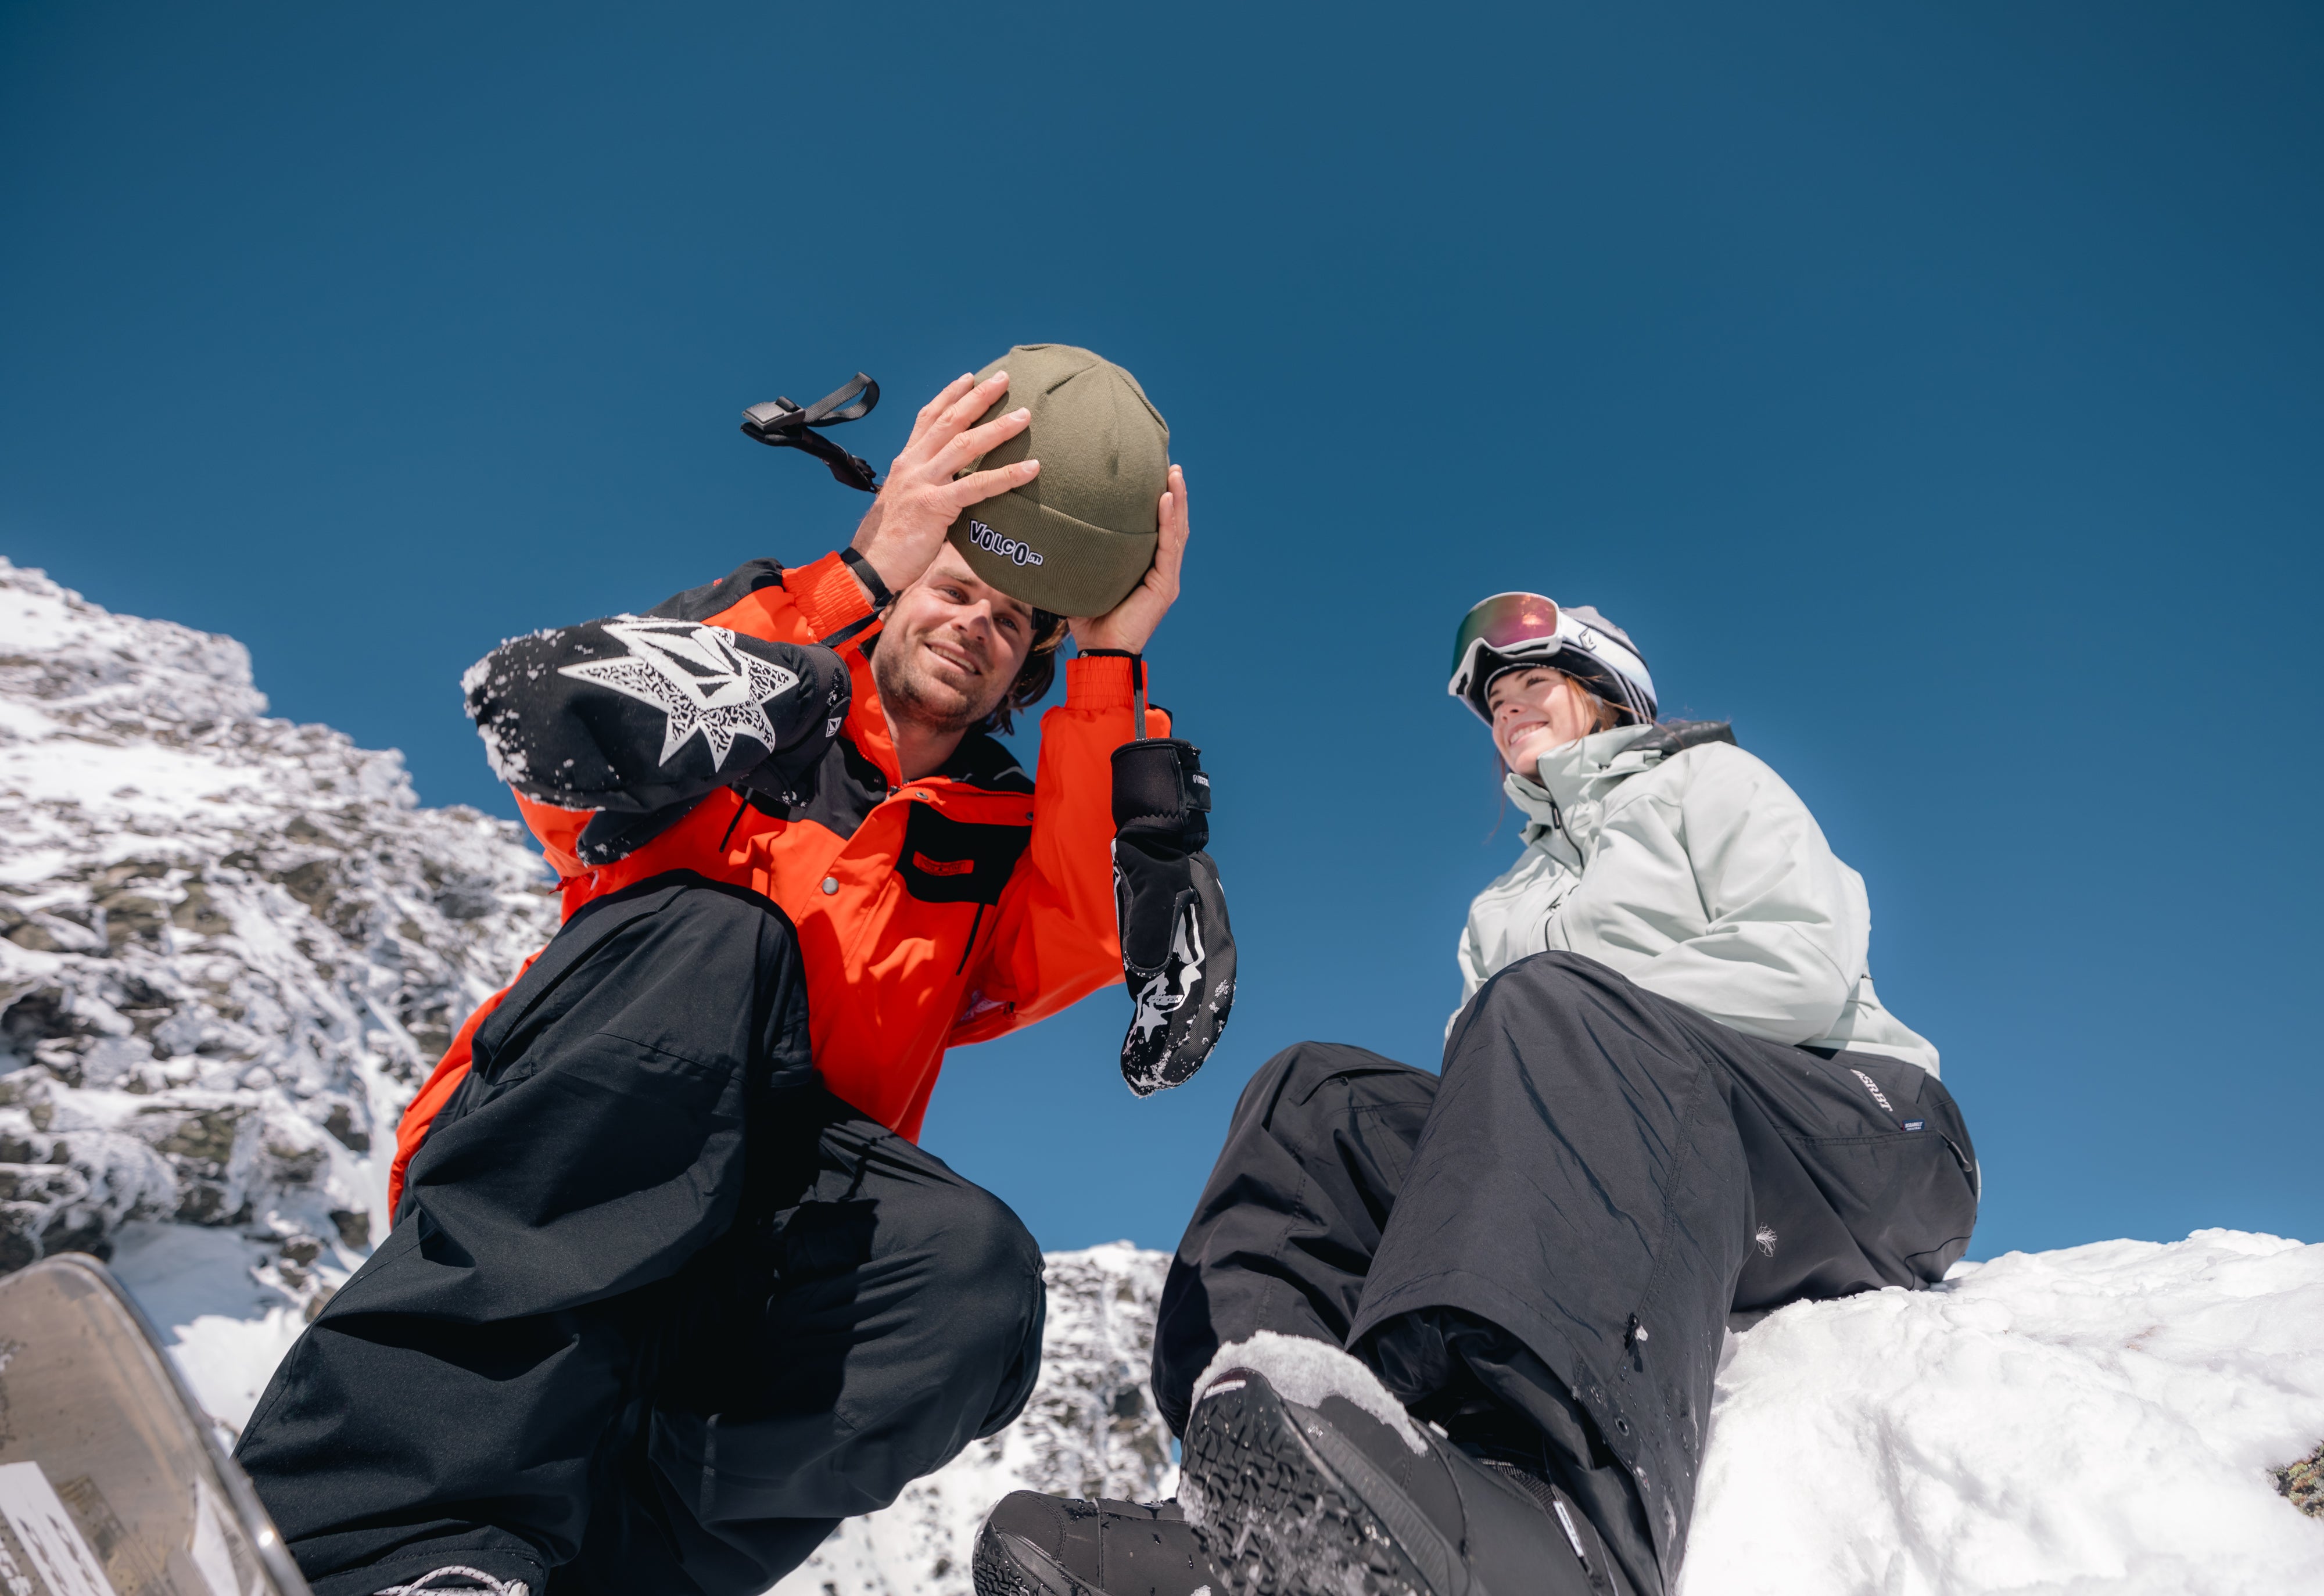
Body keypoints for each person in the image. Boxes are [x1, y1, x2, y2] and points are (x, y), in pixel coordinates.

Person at [235, 349, 1230, 1596]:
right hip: (570, 1153)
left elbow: (1079, 927)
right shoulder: (752, 702)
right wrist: (864, 561)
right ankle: (361, 1544)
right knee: (722, 943)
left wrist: (1110, 655)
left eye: (1013, 621)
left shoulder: (988, 845)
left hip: (761, 1240)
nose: (976, 624)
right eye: (954, 587)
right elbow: (543, 707)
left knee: (969, 1274)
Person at [976, 591, 1975, 1596]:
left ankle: (1567, 1523)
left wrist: (1584, 1019)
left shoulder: (1710, 784)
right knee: (1317, 1099)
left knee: (1545, 1009)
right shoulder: (1504, 905)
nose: (1507, 709)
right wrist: (1549, 1043)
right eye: (1494, 700)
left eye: (1532, 682)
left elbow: (1801, 966)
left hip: (1854, 1137)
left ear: (1608, 692)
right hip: (1638, 1166)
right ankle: (1251, 1505)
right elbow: (1489, 1111)